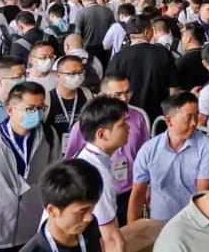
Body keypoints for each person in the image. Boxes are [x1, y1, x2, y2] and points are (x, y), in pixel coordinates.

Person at [0, 81, 62, 252]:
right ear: (10, 110)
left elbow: (56, 178)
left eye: (41, 108)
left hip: (33, 231)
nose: (37, 114)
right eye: (30, 109)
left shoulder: (49, 135)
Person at [65, 75, 151, 227]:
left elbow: (144, 154)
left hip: (128, 190)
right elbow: (71, 161)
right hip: (96, 195)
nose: (124, 98)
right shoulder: (84, 124)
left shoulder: (138, 117)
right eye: (117, 94)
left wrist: (146, 186)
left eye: (127, 92)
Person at [129, 91, 209, 222]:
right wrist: (132, 232)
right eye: (188, 117)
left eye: (196, 115)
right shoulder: (149, 150)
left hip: (192, 222)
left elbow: (202, 195)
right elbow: (137, 194)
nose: (194, 123)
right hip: (158, 222)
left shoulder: (206, 146)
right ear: (169, 120)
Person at [74, 97, 131, 252]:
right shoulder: (97, 173)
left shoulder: (86, 156)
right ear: (102, 134)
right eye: (122, 125)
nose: (128, 128)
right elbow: (111, 239)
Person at [18, 159, 105, 252]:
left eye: (92, 209)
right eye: (82, 211)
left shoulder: (90, 227)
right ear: (52, 210)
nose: (89, 218)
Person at [104, 15, 179, 119]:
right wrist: (170, 113)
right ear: (147, 32)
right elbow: (174, 88)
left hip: (127, 116)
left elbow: (108, 89)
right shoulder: (163, 53)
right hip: (157, 116)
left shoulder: (118, 57)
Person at [175, 23, 209, 92]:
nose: (181, 40)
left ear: (188, 39)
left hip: (188, 100)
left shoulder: (180, 62)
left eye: (182, 36)